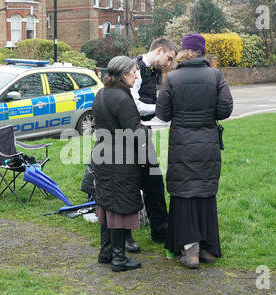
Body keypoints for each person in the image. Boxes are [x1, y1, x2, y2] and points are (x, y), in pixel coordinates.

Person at [155, 34, 233, 269]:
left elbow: (163, 114)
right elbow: (225, 110)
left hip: (182, 144)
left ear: (183, 52)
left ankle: (190, 250)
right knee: (205, 192)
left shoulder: (172, 78)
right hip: (208, 142)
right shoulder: (215, 75)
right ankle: (208, 248)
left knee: (184, 193)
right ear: (202, 52)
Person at [92, 56, 150, 272]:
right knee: (120, 206)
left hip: (103, 155)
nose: (136, 75)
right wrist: (145, 129)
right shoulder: (123, 99)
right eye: (134, 71)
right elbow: (133, 133)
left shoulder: (101, 94)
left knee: (107, 203)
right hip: (121, 159)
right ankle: (118, 258)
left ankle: (105, 252)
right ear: (124, 74)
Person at [124, 38, 178, 251]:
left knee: (154, 182)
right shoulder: (134, 68)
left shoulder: (153, 71)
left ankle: (160, 230)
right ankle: (126, 233)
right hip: (127, 133)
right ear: (159, 50)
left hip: (143, 132)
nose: (169, 63)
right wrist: (159, 107)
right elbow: (133, 103)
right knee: (130, 183)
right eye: (169, 58)